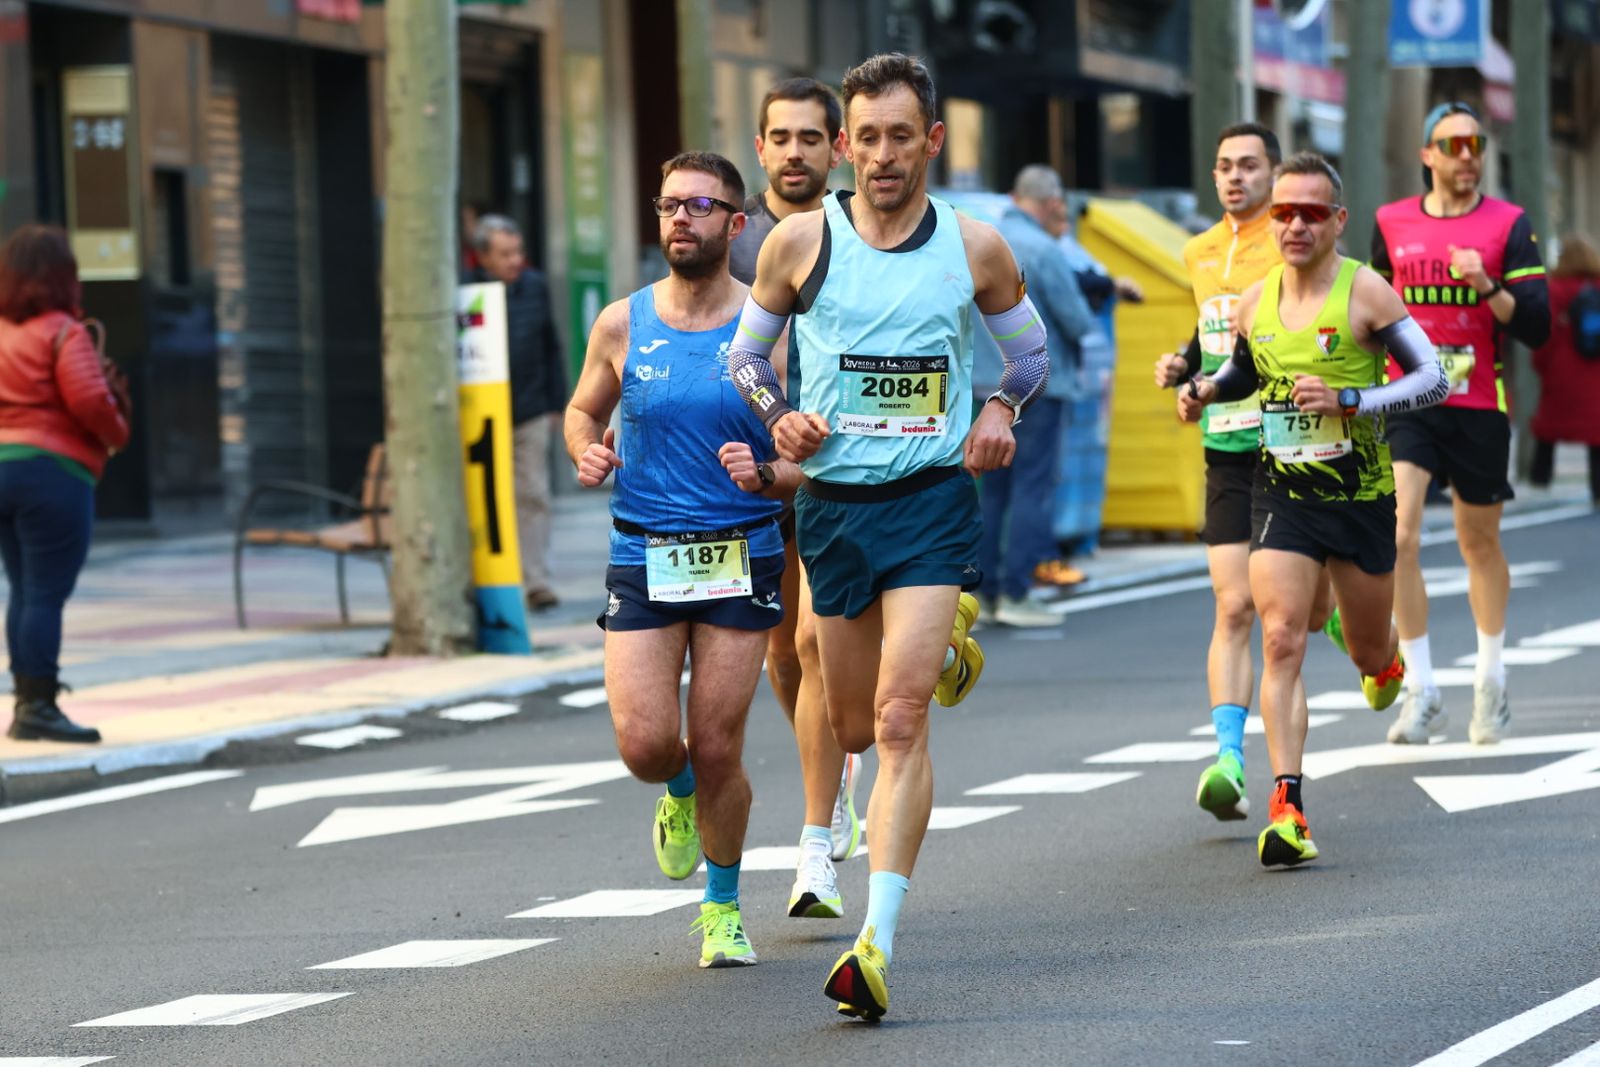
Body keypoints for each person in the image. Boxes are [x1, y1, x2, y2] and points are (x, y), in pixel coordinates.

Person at [729, 52, 1038, 1019]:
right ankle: (937, 640)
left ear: (932, 141)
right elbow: (744, 358)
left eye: (902, 135)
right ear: (846, 147)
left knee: (903, 719)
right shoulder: (799, 243)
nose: (882, 155)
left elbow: (1029, 352)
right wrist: (779, 413)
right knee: (853, 720)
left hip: (933, 501)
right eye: (866, 137)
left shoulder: (973, 246)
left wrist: (999, 409)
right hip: (833, 510)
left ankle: (876, 941)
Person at [563, 152, 800, 968]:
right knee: (646, 743)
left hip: (741, 549)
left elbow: (802, 434)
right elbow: (583, 408)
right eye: (668, 205)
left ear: (736, 226)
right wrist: (586, 451)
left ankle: (724, 906)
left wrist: (770, 467)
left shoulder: (767, 326)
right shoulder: (623, 322)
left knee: (719, 742)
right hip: (645, 550)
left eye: (700, 206)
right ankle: (677, 792)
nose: (680, 219)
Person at [1180, 152, 1448, 867]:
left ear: (1338, 221)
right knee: (1281, 639)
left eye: (1310, 213)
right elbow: (1245, 368)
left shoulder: (1368, 294)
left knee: (1364, 647)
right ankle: (1288, 805)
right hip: (1282, 495)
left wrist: (1352, 399)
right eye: (1284, 213)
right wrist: (1207, 390)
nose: (1295, 225)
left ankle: (1386, 662)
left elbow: (1434, 378)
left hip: (1358, 498)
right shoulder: (1255, 300)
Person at [727, 77, 865, 918]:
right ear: (761, 146)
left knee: (815, 643)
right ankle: (836, 777)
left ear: (835, 147)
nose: (794, 152)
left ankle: (816, 838)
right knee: (783, 658)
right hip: (750, 470)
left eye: (811, 138)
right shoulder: (736, 240)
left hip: (836, 468)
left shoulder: (862, 230)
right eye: (780, 137)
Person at [1372, 101, 1551, 746]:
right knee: (1400, 537)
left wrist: (1487, 287)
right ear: (1428, 156)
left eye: (1476, 144)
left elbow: (1535, 325)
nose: (1468, 156)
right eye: (1453, 145)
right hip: (1410, 401)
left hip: (1478, 403)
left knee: (1478, 543)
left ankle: (1491, 682)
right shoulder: (1390, 223)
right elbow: (1374, 312)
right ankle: (1421, 690)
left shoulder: (1509, 225)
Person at [1154, 122, 1288, 821]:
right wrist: (1185, 367)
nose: (1235, 177)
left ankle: (1354, 628)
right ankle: (1231, 761)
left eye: (1249, 165)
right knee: (1235, 605)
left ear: (1273, 171)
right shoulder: (1199, 249)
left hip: (1295, 441)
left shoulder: (1295, 237)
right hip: (1227, 443)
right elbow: (1215, 335)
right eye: (1224, 166)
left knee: (1291, 613)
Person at [0, 225, 131, 743]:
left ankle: (27, 702)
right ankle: (38, 706)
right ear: (61, 278)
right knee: (46, 593)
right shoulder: (63, 331)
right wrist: (118, 434)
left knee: (25, 589)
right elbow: (91, 402)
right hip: (52, 473)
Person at [974, 164, 1093, 628]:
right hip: (1038, 387)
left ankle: (983, 593)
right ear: (1050, 204)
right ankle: (1017, 592)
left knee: (990, 492)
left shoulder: (982, 242)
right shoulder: (1045, 249)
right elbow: (1078, 321)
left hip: (981, 387)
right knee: (1031, 489)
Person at [469, 215, 568, 612]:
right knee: (486, 498)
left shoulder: (535, 287)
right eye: (505, 254)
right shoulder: (465, 289)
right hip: (479, 415)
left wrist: (556, 404)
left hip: (528, 409)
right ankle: (489, 582)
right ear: (483, 257)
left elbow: (551, 346)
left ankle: (535, 581)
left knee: (532, 494)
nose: (515, 260)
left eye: (518, 252)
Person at [1529, 235, 1600, 503]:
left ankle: (1539, 483)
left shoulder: (1555, 289)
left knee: (1548, 429)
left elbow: (1544, 335)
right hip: (1595, 374)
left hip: (1562, 372)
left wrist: (1541, 364)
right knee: (1596, 433)